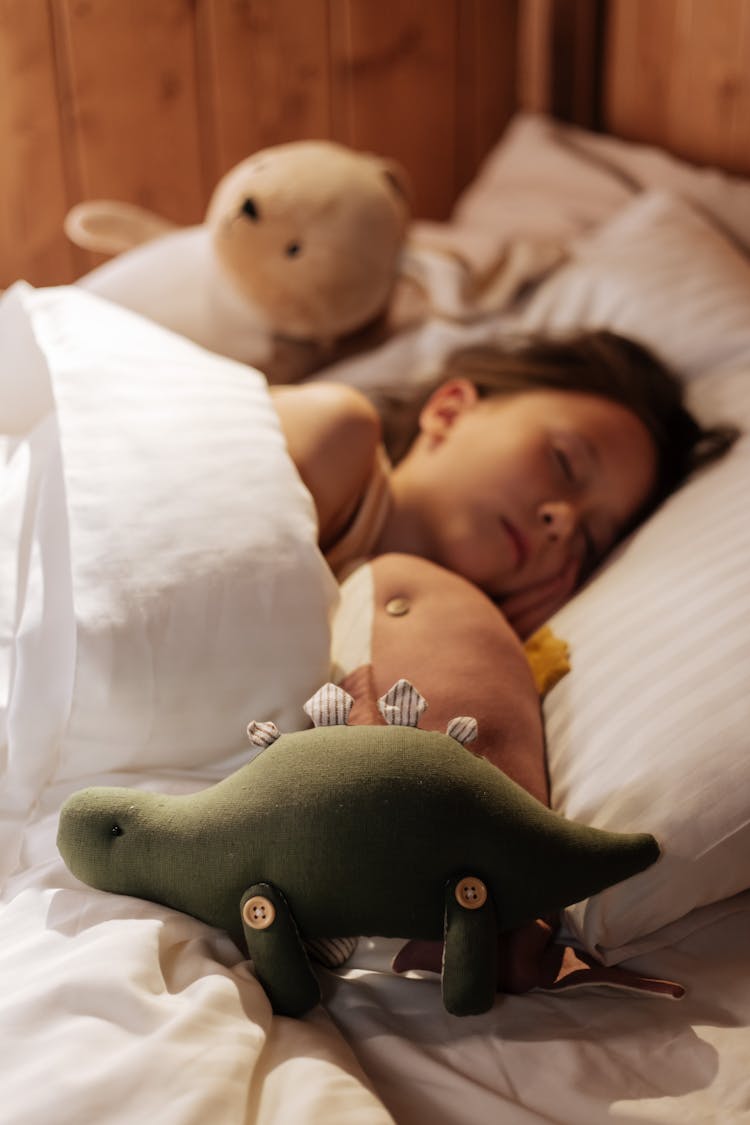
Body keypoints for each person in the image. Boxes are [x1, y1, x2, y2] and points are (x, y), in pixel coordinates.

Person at [272, 329, 735, 638]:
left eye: (591, 540)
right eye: (564, 462)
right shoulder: (335, 434)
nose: (565, 521)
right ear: (449, 411)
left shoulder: (437, 651)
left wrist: (485, 640)